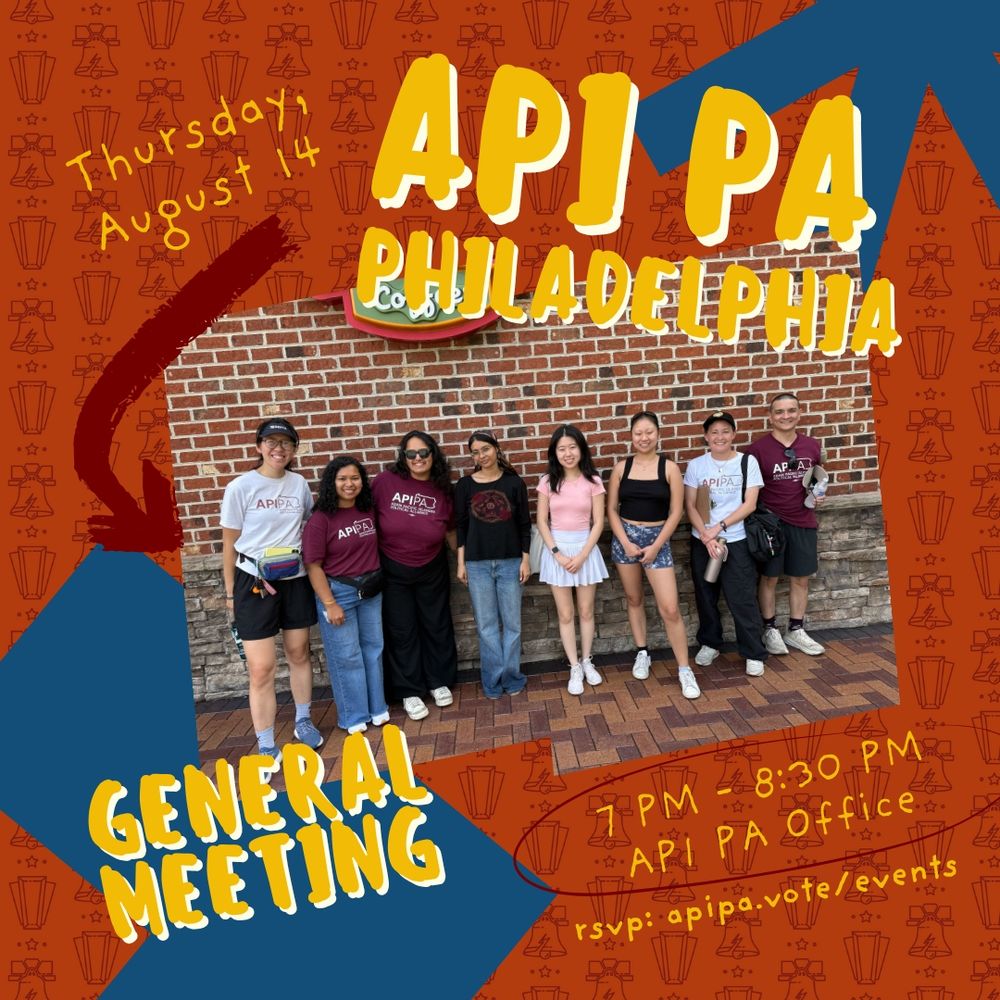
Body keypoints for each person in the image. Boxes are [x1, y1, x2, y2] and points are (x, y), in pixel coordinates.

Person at [220, 418, 322, 763]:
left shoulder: (299, 485)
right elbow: (229, 546)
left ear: (294, 449)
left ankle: (303, 720)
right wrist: (231, 594)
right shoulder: (241, 487)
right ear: (259, 446)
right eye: (271, 442)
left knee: (298, 653)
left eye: (286, 443)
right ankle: (265, 742)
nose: (279, 449)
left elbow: (309, 523)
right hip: (253, 583)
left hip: (293, 579)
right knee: (261, 667)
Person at [607, 410, 699, 699]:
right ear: (631, 436)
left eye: (649, 432)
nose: (643, 437)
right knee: (634, 599)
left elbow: (676, 512)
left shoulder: (669, 468)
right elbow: (611, 509)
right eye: (638, 433)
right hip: (626, 540)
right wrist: (625, 542)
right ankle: (642, 652)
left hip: (657, 540)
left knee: (669, 608)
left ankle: (684, 669)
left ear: (658, 434)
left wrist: (657, 544)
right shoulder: (621, 468)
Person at [372, 431, 458, 721]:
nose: (418, 458)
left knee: (436, 624)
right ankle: (409, 690)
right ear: (403, 457)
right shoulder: (385, 483)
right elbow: (367, 519)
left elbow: (450, 529)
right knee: (402, 630)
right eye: (411, 454)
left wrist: (461, 560)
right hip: (393, 568)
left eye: (424, 452)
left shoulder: (443, 487)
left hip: (432, 565)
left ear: (433, 454)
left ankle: (438, 681)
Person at [302, 457, 389, 735]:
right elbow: (313, 565)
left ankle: (377, 708)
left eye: (354, 478)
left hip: (371, 590)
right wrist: (329, 603)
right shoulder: (320, 520)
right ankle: (353, 716)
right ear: (332, 483)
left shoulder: (367, 510)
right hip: (339, 592)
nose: (349, 484)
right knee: (347, 656)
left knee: (373, 650)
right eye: (342, 479)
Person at [683, 411, 768, 677]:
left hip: (737, 540)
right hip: (703, 542)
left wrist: (718, 529)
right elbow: (690, 504)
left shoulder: (747, 462)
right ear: (706, 437)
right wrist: (706, 535)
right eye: (714, 432)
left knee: (742, 597)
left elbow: (750, 504)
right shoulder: (697, 465)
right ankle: (710, 643)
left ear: (733, 434)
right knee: (706, 596)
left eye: (724, 431)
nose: (719, 436)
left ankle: (754, 652)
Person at [747, 392, 826, 656]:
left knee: (800, 579)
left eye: (791, 410)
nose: (786, 416)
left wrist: (818, 494)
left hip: (803, 521)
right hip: (772, 525)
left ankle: (796, 629)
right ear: (770, 417)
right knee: (769, 578)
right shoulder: (757, 451)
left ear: (799, 413)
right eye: (779, 412)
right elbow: (750, 491)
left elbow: (817, 478)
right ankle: (770, 629)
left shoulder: (812, 446)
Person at [455, 432, 530, 699]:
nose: (481, 456)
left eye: (485, 449)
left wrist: (526, 559)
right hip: (477, 564)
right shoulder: (464, 485)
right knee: (486, 626)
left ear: (497, 449)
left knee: (512, 624)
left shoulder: (514, 483)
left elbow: (524, 524)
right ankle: (493, 679)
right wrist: (461, 562)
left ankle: (512, 677)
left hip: (511, 562)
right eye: (475, 452)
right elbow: (461, 527)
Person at [536, 424, 609, 695]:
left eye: (572, 447)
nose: (567, 453)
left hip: (585, 549)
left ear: (581, 449)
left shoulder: (593, 481)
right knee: (566, 614)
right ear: (555, 453)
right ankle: (574, 666)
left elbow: (599, 522)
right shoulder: (547, 482)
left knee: (586, 611)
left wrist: (581, 555)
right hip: (556, 551)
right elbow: (542, 521)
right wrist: (557, 554)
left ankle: (588, 660)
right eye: (561, 448)